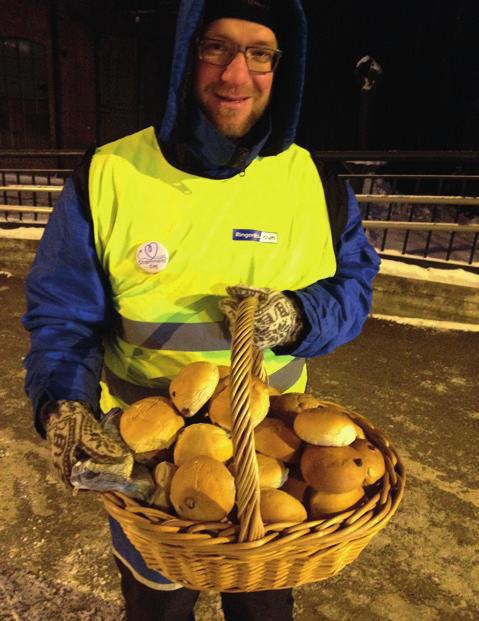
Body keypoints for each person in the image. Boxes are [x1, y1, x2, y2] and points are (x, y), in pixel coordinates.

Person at [22, 0, 380, 619]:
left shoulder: (315, 183)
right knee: (157, 603)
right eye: (216, 47)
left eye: (259, 54)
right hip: (149, 467)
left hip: (271, 456)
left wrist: (300, 316)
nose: (236, 75)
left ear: (280, 68)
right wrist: (63, 403)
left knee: (263, 606)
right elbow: (64, 314)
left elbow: (355, 287)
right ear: (187, 56)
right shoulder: (110, 174)